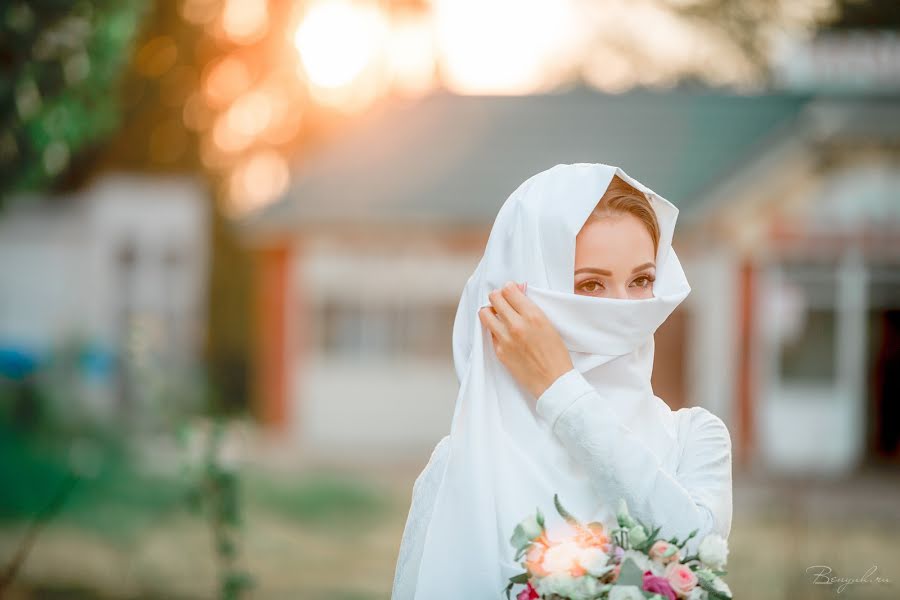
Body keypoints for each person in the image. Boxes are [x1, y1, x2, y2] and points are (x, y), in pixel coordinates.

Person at [391, 163, 732, 600]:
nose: (624, 310)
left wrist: (561, 389)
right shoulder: (461, 463)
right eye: (590, 286)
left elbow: (693, 553)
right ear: (523, 299)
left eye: (642, 280)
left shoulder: (695, 439)